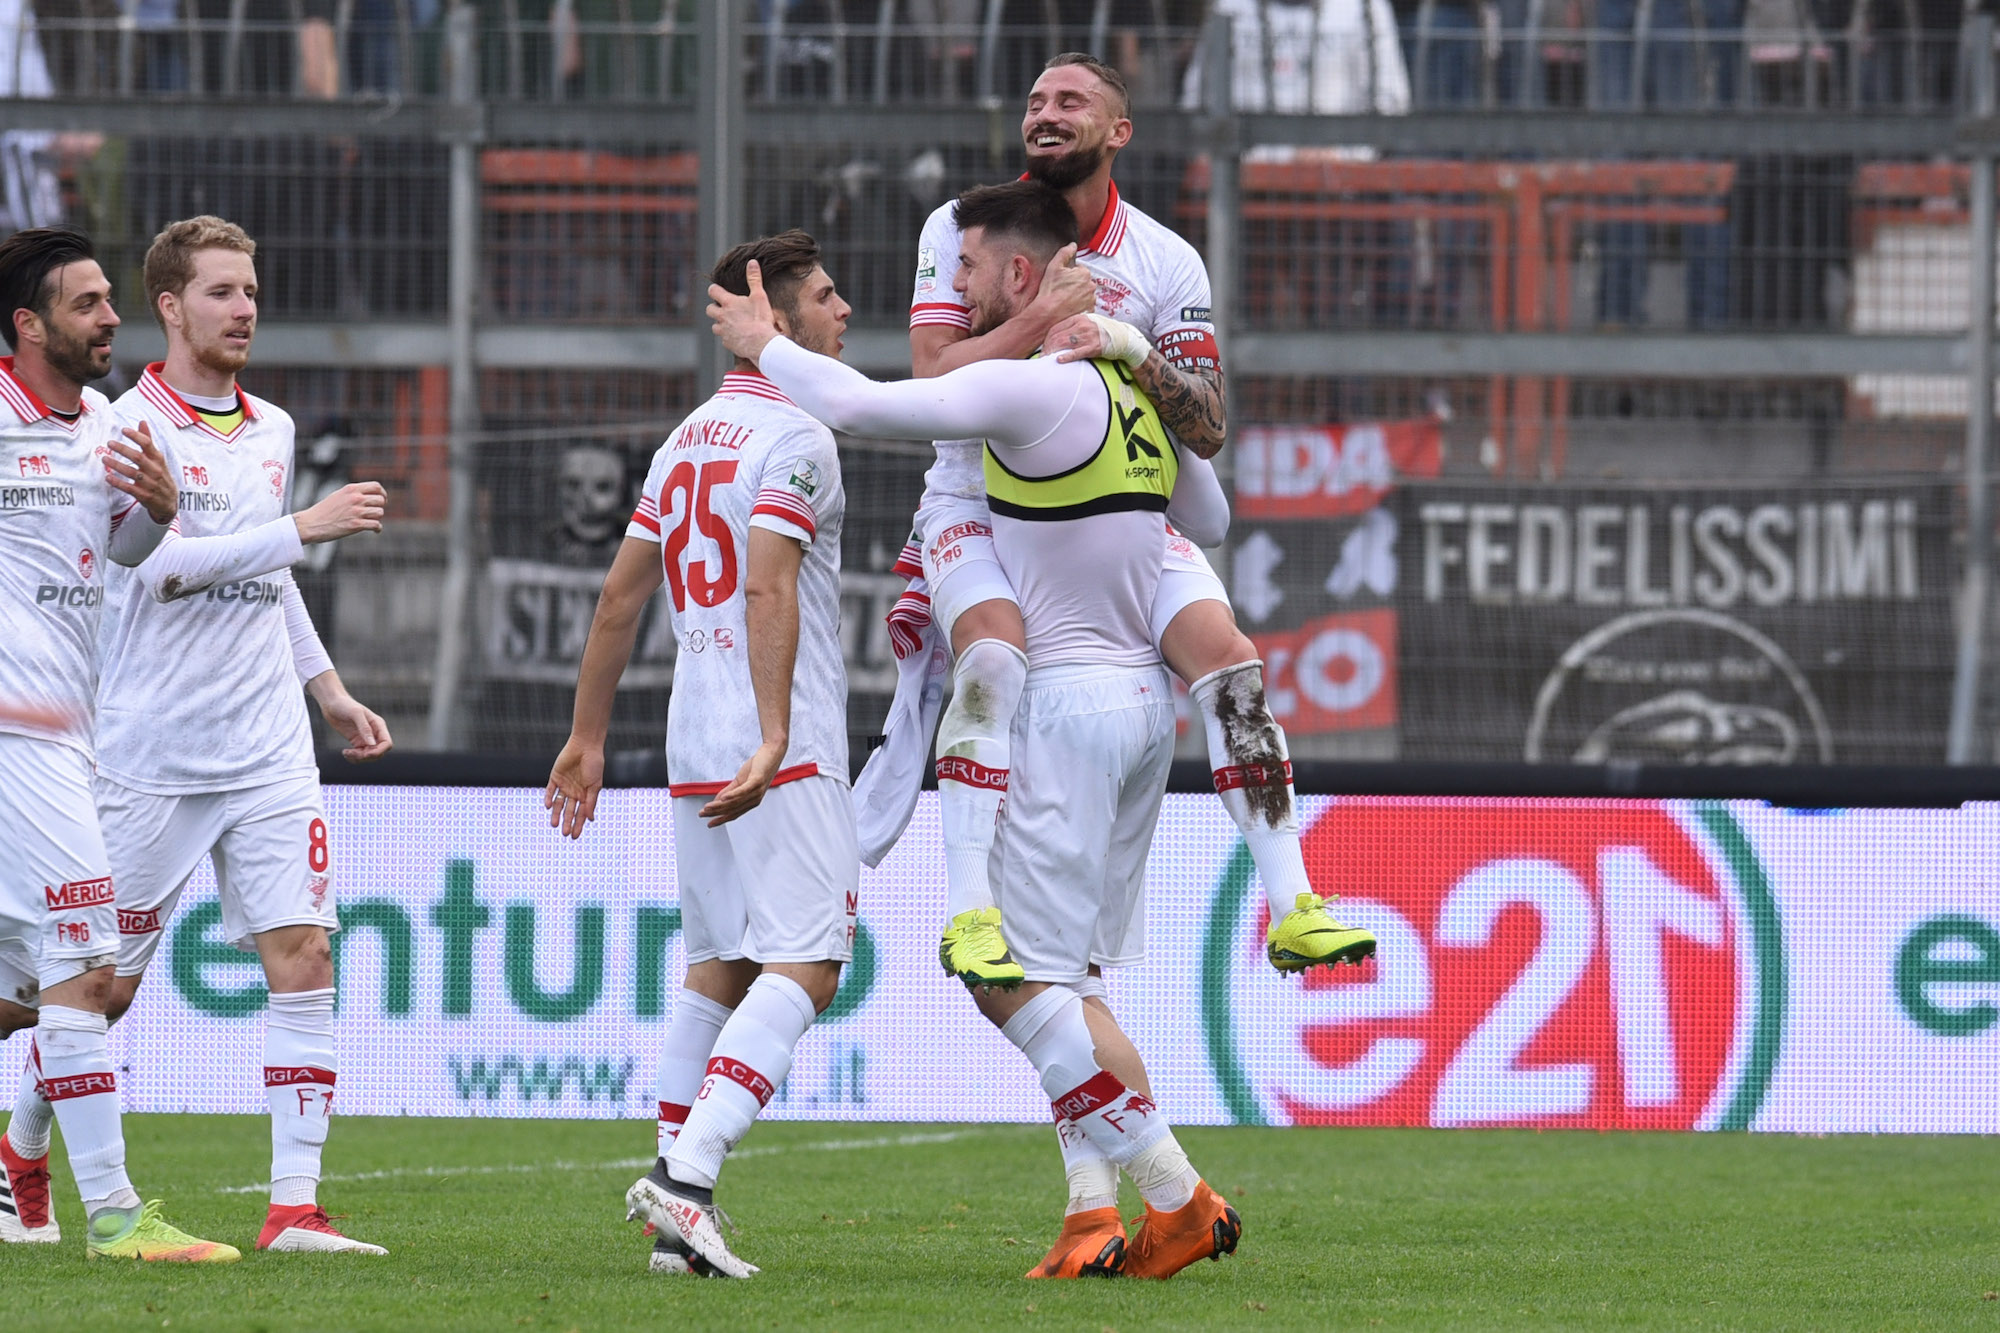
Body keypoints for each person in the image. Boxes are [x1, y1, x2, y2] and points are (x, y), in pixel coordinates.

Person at [715, 180, 1240, 1281]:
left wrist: (764, 345)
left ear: (1024, 275)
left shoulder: (1024, 386)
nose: (949, 291)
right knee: (1073, 979)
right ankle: (1093, 1213)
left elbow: (873, 402)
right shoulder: (1129, 380)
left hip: (1060, 706)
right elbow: (1210, 513)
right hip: (1143, 703)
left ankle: (1176, 1193)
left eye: (968, 272)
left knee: (1009, 975)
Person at [878, 51, 1374, 993]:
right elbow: (933, 375)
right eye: (1035, 99)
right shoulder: (963, 225)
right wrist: (1043, 320)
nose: (1044, 112)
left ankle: (1295, 905)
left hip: (1118, 499)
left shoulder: (1165, 259)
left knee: (1231, 661)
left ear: (1119, 131)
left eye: (1070, 100)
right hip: (977, 503)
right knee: (992, 657)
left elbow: (1209, 427)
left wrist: (1127, 343)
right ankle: (972, 915)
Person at [0, 218, 393, 1256]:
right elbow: (163, 566)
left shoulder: (273, 428)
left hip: (266, 744)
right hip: (150, 749)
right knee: (99, 987)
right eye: (222, 291)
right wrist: (304, 527)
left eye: (251, 290)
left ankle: (294, 1206)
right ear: (171, 307)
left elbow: (266, 573)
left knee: (305, 953)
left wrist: (327, 688)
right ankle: (22, 1147)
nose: (244, 309)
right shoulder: (122, 423)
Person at [545, 229, 858, 1281]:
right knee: (809, 962)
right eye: (825, 294)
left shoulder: (685, 438)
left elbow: (618, 599)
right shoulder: (800, 434)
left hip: (693, 734)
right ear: (771, 312)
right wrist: (774, 731)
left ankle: (670, 1223)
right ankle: (688, 1180)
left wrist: (587, 736)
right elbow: (768, 581)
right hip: (778, 741)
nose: (843, 310)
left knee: (719, 967)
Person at [0, 227, 224, 1260]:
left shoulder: (103, 425)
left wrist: (161, 513)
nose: (110, 318)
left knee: (26, 994)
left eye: (107, 299)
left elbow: (124, 550)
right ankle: (117, 1216)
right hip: (16, 736)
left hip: (70, 738)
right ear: (28, 324)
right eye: (86, 303)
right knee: (88, 964)